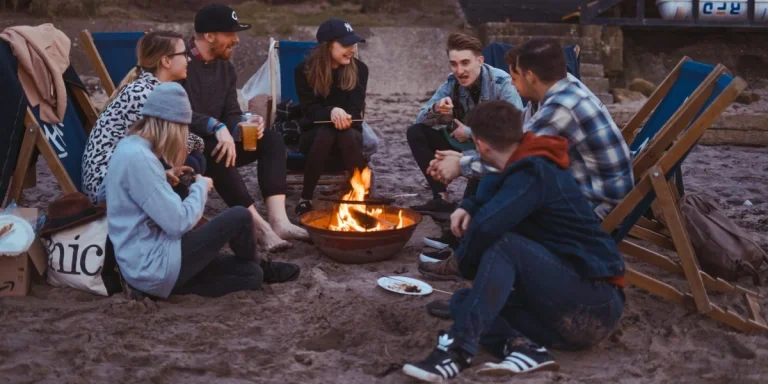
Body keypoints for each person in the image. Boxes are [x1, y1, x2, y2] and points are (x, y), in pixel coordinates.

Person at [402, 100, 625, 382]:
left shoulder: (535, 171)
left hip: (595, 304)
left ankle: (457, 350)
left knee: (505, 245)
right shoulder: (517, 163)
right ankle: (523, 348)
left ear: (480, 145)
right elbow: (492, 190)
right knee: (463, 301)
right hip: (557, 316)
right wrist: (469, 205)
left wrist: (465, 265)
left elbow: (487, 227)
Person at [419, 37, 634, 279]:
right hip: (583, 190)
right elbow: (517, 136)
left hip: (598, 209)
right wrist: (468, 149)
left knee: (504, 182)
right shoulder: (557, 91)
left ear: (530, 76)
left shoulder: (562, 107)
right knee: (498, 178)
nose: (511, 82)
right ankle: (465, 249)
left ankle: (466, 258)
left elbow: (516, 154)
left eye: (515, 76)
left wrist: (460, 164)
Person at [105, 82, 300, 299]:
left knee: (250, 276)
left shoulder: (129, 147)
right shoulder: (140, 159)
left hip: (145, 267)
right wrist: (200, 187)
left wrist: (164, 176)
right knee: (240, 216)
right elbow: (178, 223)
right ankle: (261, 265)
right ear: (172, 125)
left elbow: (133, 193)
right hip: (155, 264)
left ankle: (258, 268)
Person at [179, 4, 308, 252]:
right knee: (217, 150)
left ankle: (279, 221)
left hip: (221, 139)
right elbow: (176, 111)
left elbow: (230, 111)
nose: (237, 40)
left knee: (271, 139)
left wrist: (242, 124)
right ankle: (259, 228)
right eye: (230, 34)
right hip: (187, 145)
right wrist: (215, 126)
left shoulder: (225, 68)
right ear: (210, 36)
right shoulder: (179, 62)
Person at [406, 32, 523, 221]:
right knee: (416, 133)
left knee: (471, 207)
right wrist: (437, 108)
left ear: (480, 61)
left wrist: (469, 132)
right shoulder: (452, 83)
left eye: (465, 63)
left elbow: (515, 130)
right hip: (459, 146)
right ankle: (441, 198)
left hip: (489, 151)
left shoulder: (502, 83)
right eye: (454, 64)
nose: (459, 70)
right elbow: (419, 119)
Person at [81, 31, 206, 204]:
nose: (189, 59)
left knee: (194, 159)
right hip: (107, 187)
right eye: (184, 54)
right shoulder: (144, 95)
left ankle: (177, 208)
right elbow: (171, 144)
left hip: (122, 172)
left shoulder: (147, 87)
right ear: (166, 61)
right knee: (190, 161)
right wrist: (201, 140)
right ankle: (175, 211)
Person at [293, 18, 369, 217]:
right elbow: (309, 111)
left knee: (344, 133)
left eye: (353, 44)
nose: (352, 49)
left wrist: (342, 117)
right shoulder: (304, 71)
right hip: (314, 137)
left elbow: (355, 112)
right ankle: (307, 198)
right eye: (346, 44)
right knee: (326, 131)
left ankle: (360, 196)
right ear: (327, 46)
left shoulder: (360, 70)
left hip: (349, 136)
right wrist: (331, 112)